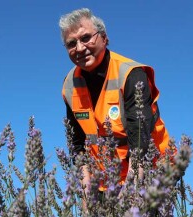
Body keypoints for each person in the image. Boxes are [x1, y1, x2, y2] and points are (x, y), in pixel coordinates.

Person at [59, 8, 172, 195]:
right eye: (71, 43)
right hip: (106, 179)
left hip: (152, 168)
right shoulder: (70, 85)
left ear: (104, 38)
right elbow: (77, 143)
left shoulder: (131, 74)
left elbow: (140, 138)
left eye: (86, 38)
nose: (79, 48)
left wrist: (130, 196)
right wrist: (86, 190)